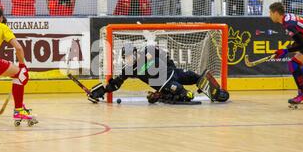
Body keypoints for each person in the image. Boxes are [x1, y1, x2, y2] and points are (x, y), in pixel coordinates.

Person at [88, 43, 229, 104]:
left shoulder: (149, 51)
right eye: (126, 58)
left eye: (130, 56)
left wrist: (172, 67)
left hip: (174, 73)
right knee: (187, 95)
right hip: (165, 84)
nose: (129, 59)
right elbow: (117, 83)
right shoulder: (129, 69)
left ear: (136, 52)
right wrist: (104, 90)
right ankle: (164, 94)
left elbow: (165, 55)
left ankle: (216, 93)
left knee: (195, 76)